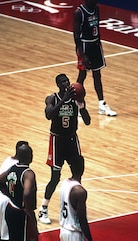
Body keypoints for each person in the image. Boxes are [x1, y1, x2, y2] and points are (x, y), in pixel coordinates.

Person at [38, 73, 91, 224]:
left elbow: (87, 121)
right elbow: (49, 115)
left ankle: (76, 208)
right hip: (57, 141)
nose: (66, 83)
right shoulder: (52, 98)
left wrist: (81, 104)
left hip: (72, 140)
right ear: (57, 84)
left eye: (67, 80)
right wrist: (64, 98)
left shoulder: (75, 100)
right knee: (55, 178)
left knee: (77, 174)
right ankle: (43, 209)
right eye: (62, 82)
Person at [73, 0, 117, 116]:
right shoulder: (79, 12)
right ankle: (77, 104)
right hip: (84, 45)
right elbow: (76, 35)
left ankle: (102, 104)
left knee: (97, 75)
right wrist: (82, 54)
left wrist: (99, 45)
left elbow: (97, 28)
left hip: (95, 45)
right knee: (82, 75)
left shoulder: (96, 9)